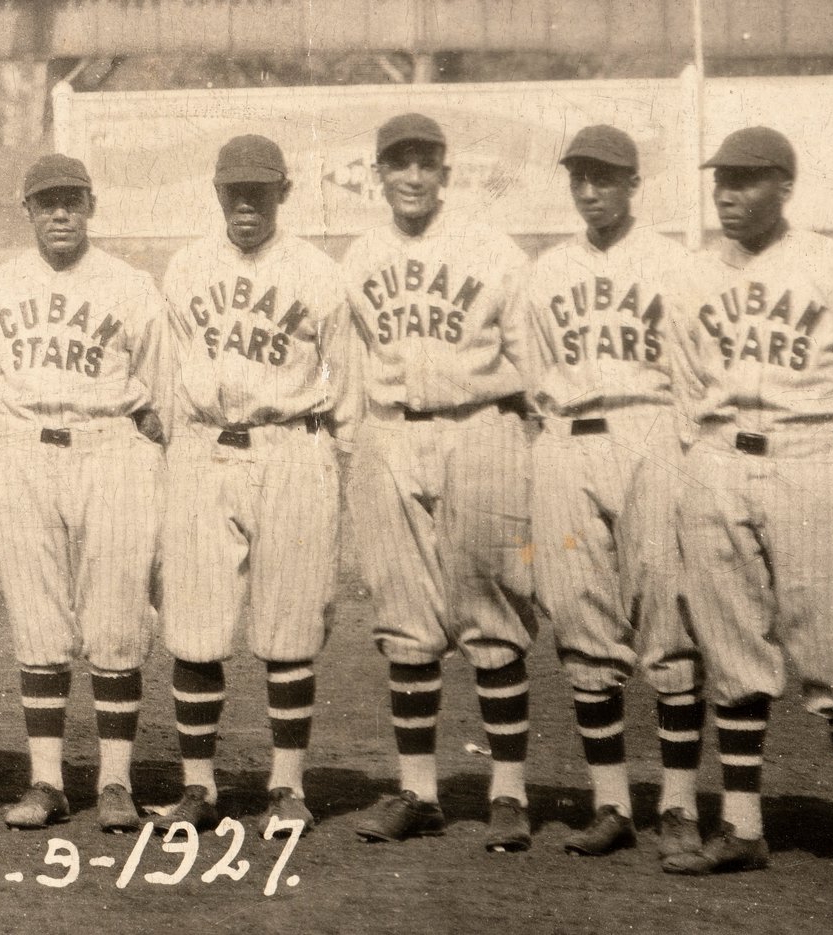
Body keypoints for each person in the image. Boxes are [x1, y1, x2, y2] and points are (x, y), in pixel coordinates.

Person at [663, 126, 833, 891]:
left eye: (747, 179)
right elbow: (682, 387)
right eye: (721, 180)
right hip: (721, 456)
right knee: (731, 648)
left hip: (814, 455)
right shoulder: (692, 276)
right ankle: (741, 824)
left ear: (787, 185)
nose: (727, 193)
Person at [340, 114, 535, 851]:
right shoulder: (359, 257)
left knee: (492, 609)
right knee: (407, 617)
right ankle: (417, 789)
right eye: (399, 164)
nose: (413, 177)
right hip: (391, 429)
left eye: (426, 164)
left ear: (446, 173)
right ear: (379, 174)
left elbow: (529, 353)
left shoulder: (493, 250)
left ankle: (509, 791)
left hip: (479, 423)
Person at [517, 125, 705, 861]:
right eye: (580, 177)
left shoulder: (673, 263)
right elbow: (534, 371)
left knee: (668, 608)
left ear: (633, 183)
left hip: (650, 427)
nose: (591, 190)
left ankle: (682, 805)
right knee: (580, 613)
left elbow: (692, 365)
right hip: (568, 435)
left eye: (606, 177)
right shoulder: (547, 269)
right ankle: (612, 802)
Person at [155, 134, 353, 833]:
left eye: (260, 190)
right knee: (196, 623)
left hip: (293, 446)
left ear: (284, 192)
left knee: (290, 622)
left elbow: (344, 386)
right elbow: (169, 379)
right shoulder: (184, 267)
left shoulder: (321, 273)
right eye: (234, 190)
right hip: (206, 445)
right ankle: (199, 785)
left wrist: (339, 468)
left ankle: (287, 786)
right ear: (216, 193)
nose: (246, 202)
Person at [0, 153, 170, 832]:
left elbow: (160, 387)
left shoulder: (131, 284)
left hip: (108, 446)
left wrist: (139, 447)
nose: (59, 213)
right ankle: (48, 779)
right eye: (45, 201)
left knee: (115, 619)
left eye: (71, 201)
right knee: (38, 621)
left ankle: (115, 780)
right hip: (25, 450)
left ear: (91, 204)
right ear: (26, 209)